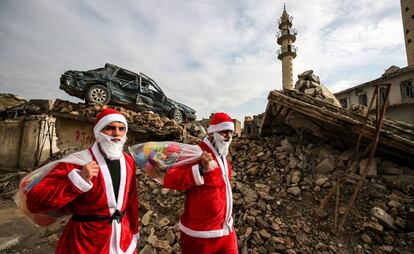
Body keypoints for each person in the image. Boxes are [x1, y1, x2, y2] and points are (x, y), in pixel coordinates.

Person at [26, 108, 139, 254]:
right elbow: (35, 201)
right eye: (110, 128)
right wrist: (78, 181)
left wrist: (133, 231)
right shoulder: (76, 162)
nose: (117, 133)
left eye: (121, 129)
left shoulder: (129, 162)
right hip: (85, 242)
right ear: (98, 132)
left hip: (121, 240)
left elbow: (131, 201)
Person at [163, 112, 238, 254]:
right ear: (212, 133)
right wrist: (200, 170)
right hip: (199, 237)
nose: (228, 136)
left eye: (230, 132)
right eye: (224, 132)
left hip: (227, 232)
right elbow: (170, 179)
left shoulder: (224, 158)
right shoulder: (196, 153)